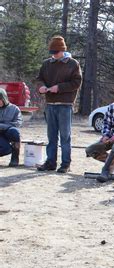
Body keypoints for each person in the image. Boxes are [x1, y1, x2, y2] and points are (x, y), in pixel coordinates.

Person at [36, 35, 82, 173]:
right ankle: (50, 162)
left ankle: (65, 164)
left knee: (65, 136)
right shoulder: (46, 64)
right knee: (51, 136)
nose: (54, 55)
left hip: (65, 105)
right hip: (50, 104)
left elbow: (77, 83)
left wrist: (59, 88)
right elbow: (39, 79)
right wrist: (41, 87)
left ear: (63, 50)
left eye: (56, 52)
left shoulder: (73, 64)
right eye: (52, 53)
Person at [0, 88, 23, 167]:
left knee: (15, 132)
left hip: (8, 131)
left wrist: (3, 126)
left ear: (4, 98)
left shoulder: (14, 108)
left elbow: (18, 123)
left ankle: (15, 159)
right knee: (6, 149)